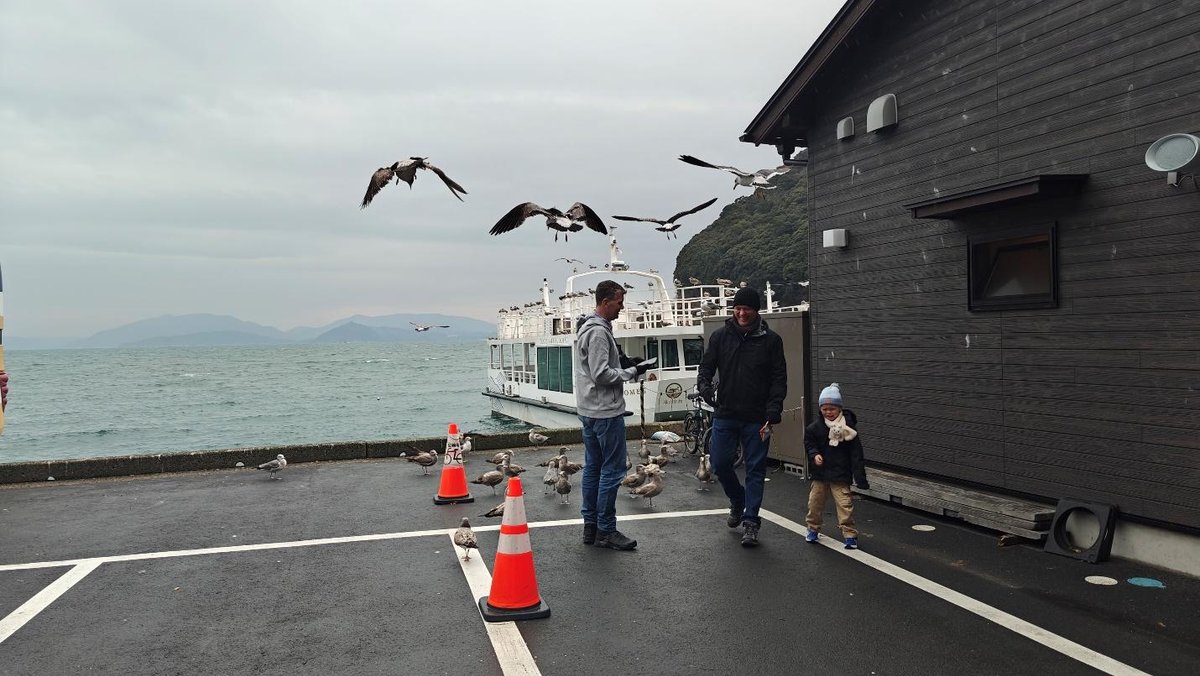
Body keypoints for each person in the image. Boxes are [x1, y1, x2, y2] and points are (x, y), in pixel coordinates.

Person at [697, 287, 787, 547]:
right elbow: (707, 367)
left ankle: (751, 522)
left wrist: (774, 409)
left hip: (758, 417)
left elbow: (778, 379)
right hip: (726, 412)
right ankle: (738, 501)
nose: (741, 313)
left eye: (746, 308)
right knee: (721, 463)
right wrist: (704, 387)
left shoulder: (771, 341)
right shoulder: (720, 337)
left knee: (755, 470)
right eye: (737, 308)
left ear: (756, 310)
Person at [574, 280, 651, 551]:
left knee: (593, 468)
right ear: (606, 302)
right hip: (605, 412)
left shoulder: (587, 328)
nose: (621, 307)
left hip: (588, 409)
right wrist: (632, 372)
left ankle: (591, 527)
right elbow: (601, 374)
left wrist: (624, 363)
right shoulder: (597, 333)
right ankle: (606, 530)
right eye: (619, 302)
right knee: (612, 470)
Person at [803, 383, 869, 549]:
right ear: (820, 409)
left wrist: (860, 477)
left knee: (845, 504)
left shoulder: (849, 429)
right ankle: (812, 528)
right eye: (824, 409)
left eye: (832, 408)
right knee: (815, 503)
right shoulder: (815, 428)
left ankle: (849, 534)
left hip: (840, 473)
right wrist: (814, 455)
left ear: (840, 408)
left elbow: (856, 454)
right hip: (820, 473)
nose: (828, 412)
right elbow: (809, 444)